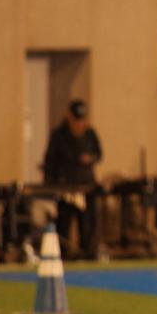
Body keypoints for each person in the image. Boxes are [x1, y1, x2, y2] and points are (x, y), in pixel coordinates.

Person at [41, 100, 103, 259]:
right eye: (76, 120)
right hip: (66, 186)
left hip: (86, 185)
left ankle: (88, 253)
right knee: (64, 223)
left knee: (87, 223)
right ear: (69, 117)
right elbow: (50, 161)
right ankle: (63, 254)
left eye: (81, 120)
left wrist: (90, 158)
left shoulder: (90, 133)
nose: (79, 124)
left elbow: (99, 154)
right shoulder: (59, 135)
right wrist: (51, 184)